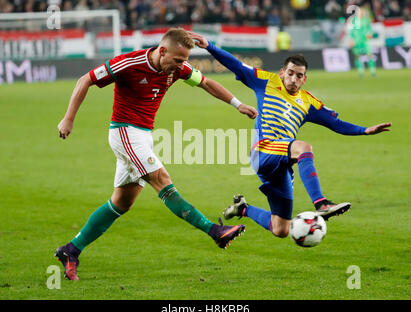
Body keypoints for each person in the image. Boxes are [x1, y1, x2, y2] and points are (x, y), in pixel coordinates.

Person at [55, 28, 258, 281]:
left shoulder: (177, 68)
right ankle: (215, 230)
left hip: (144, 136)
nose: (181, 66)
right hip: (125, 132)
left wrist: (238, 105)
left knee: (121, 203)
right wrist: (68, 119)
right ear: (162, 51)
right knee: (162, 180)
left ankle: (70, 250)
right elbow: (85, 80)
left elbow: (206, 83)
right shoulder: (129, 63)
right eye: (177, 60)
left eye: (184, 61)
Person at [189, 31, 391, 238]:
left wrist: (364, 131)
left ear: (305, 79)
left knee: (281, 229)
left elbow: (336, 124)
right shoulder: (266, 81)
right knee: (303, 147)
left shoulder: (309, 102)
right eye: (291, 73)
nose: (294, 79)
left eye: (299, 76)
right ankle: (321, 203)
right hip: (264, 150)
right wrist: (209, 46)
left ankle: (242, 209)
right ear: (282, 72)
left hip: (282, 164)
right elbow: (235, 64)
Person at [349, 4, 377, 77]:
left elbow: (369, 29)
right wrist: (352, 40)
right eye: (359, 12)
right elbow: (352, 31)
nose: (360, 13)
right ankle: (360, 72)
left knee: (369, 55)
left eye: (361, 12)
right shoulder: (354, 20)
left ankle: (373, 71)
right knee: (357, 56)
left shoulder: (366, 20)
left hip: (365, 40)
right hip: (357, 40)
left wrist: (370, 34)